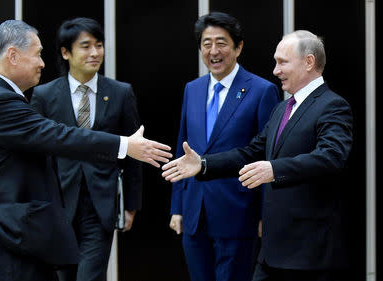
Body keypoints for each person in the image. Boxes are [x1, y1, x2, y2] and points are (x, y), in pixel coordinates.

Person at [0, 20, 171, 281]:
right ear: (13, 55)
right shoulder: (0, 102)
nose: (42, 63)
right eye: (37, 54)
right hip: (7, 238)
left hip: (19, 234)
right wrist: (125, 145)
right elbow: (59, 136)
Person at [163, 30, 352, 281]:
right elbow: (250, 152)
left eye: (282, 62)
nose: (275, 70)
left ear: (309, 62)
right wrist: (204, 164)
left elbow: (331, 157)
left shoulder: (332, 105)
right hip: (272, 252)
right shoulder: (283, 108)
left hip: (309, 252)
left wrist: (275, 169)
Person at [168, 11, 279, 281]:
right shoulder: (192, 89)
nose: (213, 51)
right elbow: (184, 149)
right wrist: (178, 207)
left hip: (238, 213)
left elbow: (268, 155)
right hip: (194, 212)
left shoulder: (262, 90)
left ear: (238, 47)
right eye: (206, 43)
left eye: (221, 43)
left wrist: (266, 214)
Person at [30, 17, 142, 281]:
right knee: (65, 275)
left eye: (99, 45)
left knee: (90, 276)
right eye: (86, 46)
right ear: (65, 52)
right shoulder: (44, 96)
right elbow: (35, 155)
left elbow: (134, 152)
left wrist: (132, 205)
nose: (95, 53)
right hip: (57, 204)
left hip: (100, 203)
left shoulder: (120, 93)